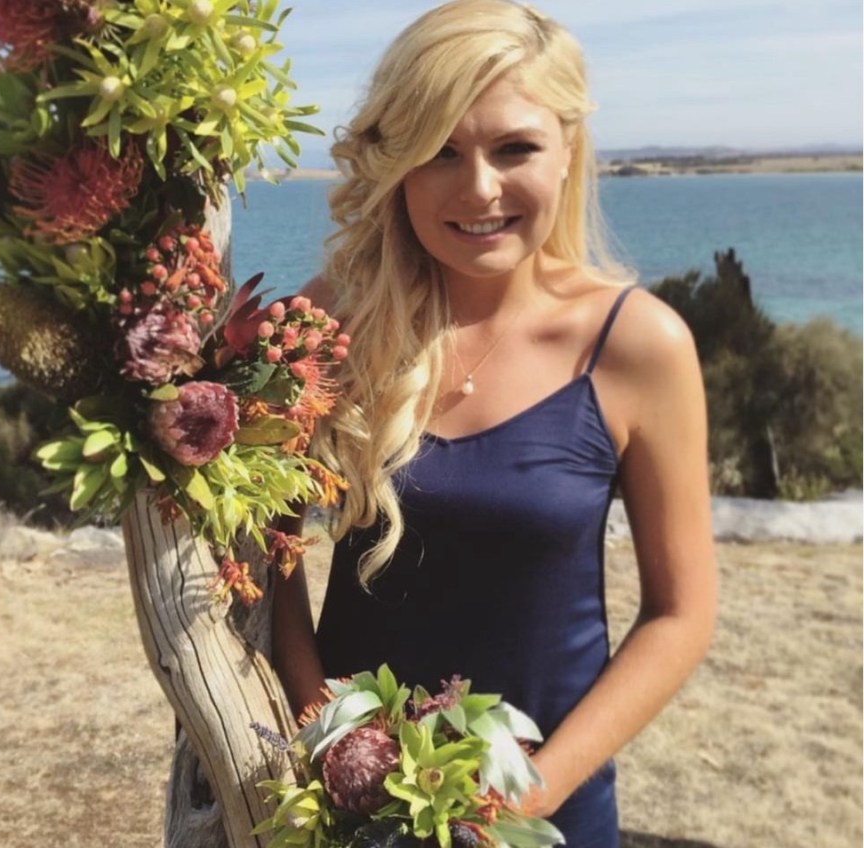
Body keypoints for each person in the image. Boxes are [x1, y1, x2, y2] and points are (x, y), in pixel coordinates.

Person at [272, 1, 717, 844]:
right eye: (439, 151)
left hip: (540, 818)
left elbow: (680, 614)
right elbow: (269, 552)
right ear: (394, 164)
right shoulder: (325, 327)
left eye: (515, 148)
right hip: (340, 806)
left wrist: (534, 790)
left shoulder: (638, 345)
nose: (479, 188)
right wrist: (315, 726)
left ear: (569, 148)